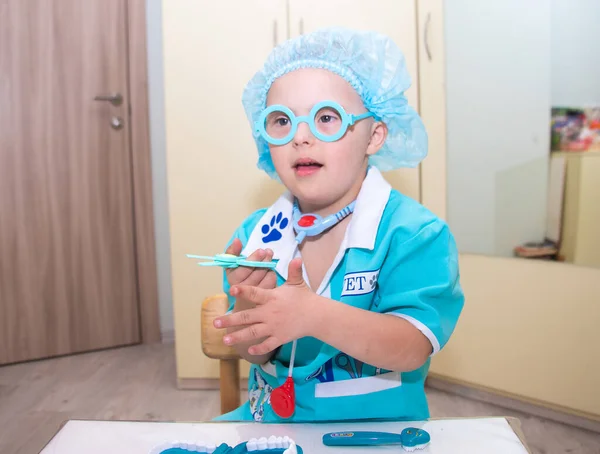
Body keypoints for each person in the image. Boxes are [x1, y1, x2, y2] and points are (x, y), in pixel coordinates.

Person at [212, 27, 464, 423]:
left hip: (376, 434)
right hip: (269, 426)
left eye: (326, 117)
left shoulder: (413, 234)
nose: (301, 136)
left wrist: (314, 315)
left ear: (374, 135)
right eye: (281, 121)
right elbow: (253, 352)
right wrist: (249, 309)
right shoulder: (255, 233)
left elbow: (412, 346)